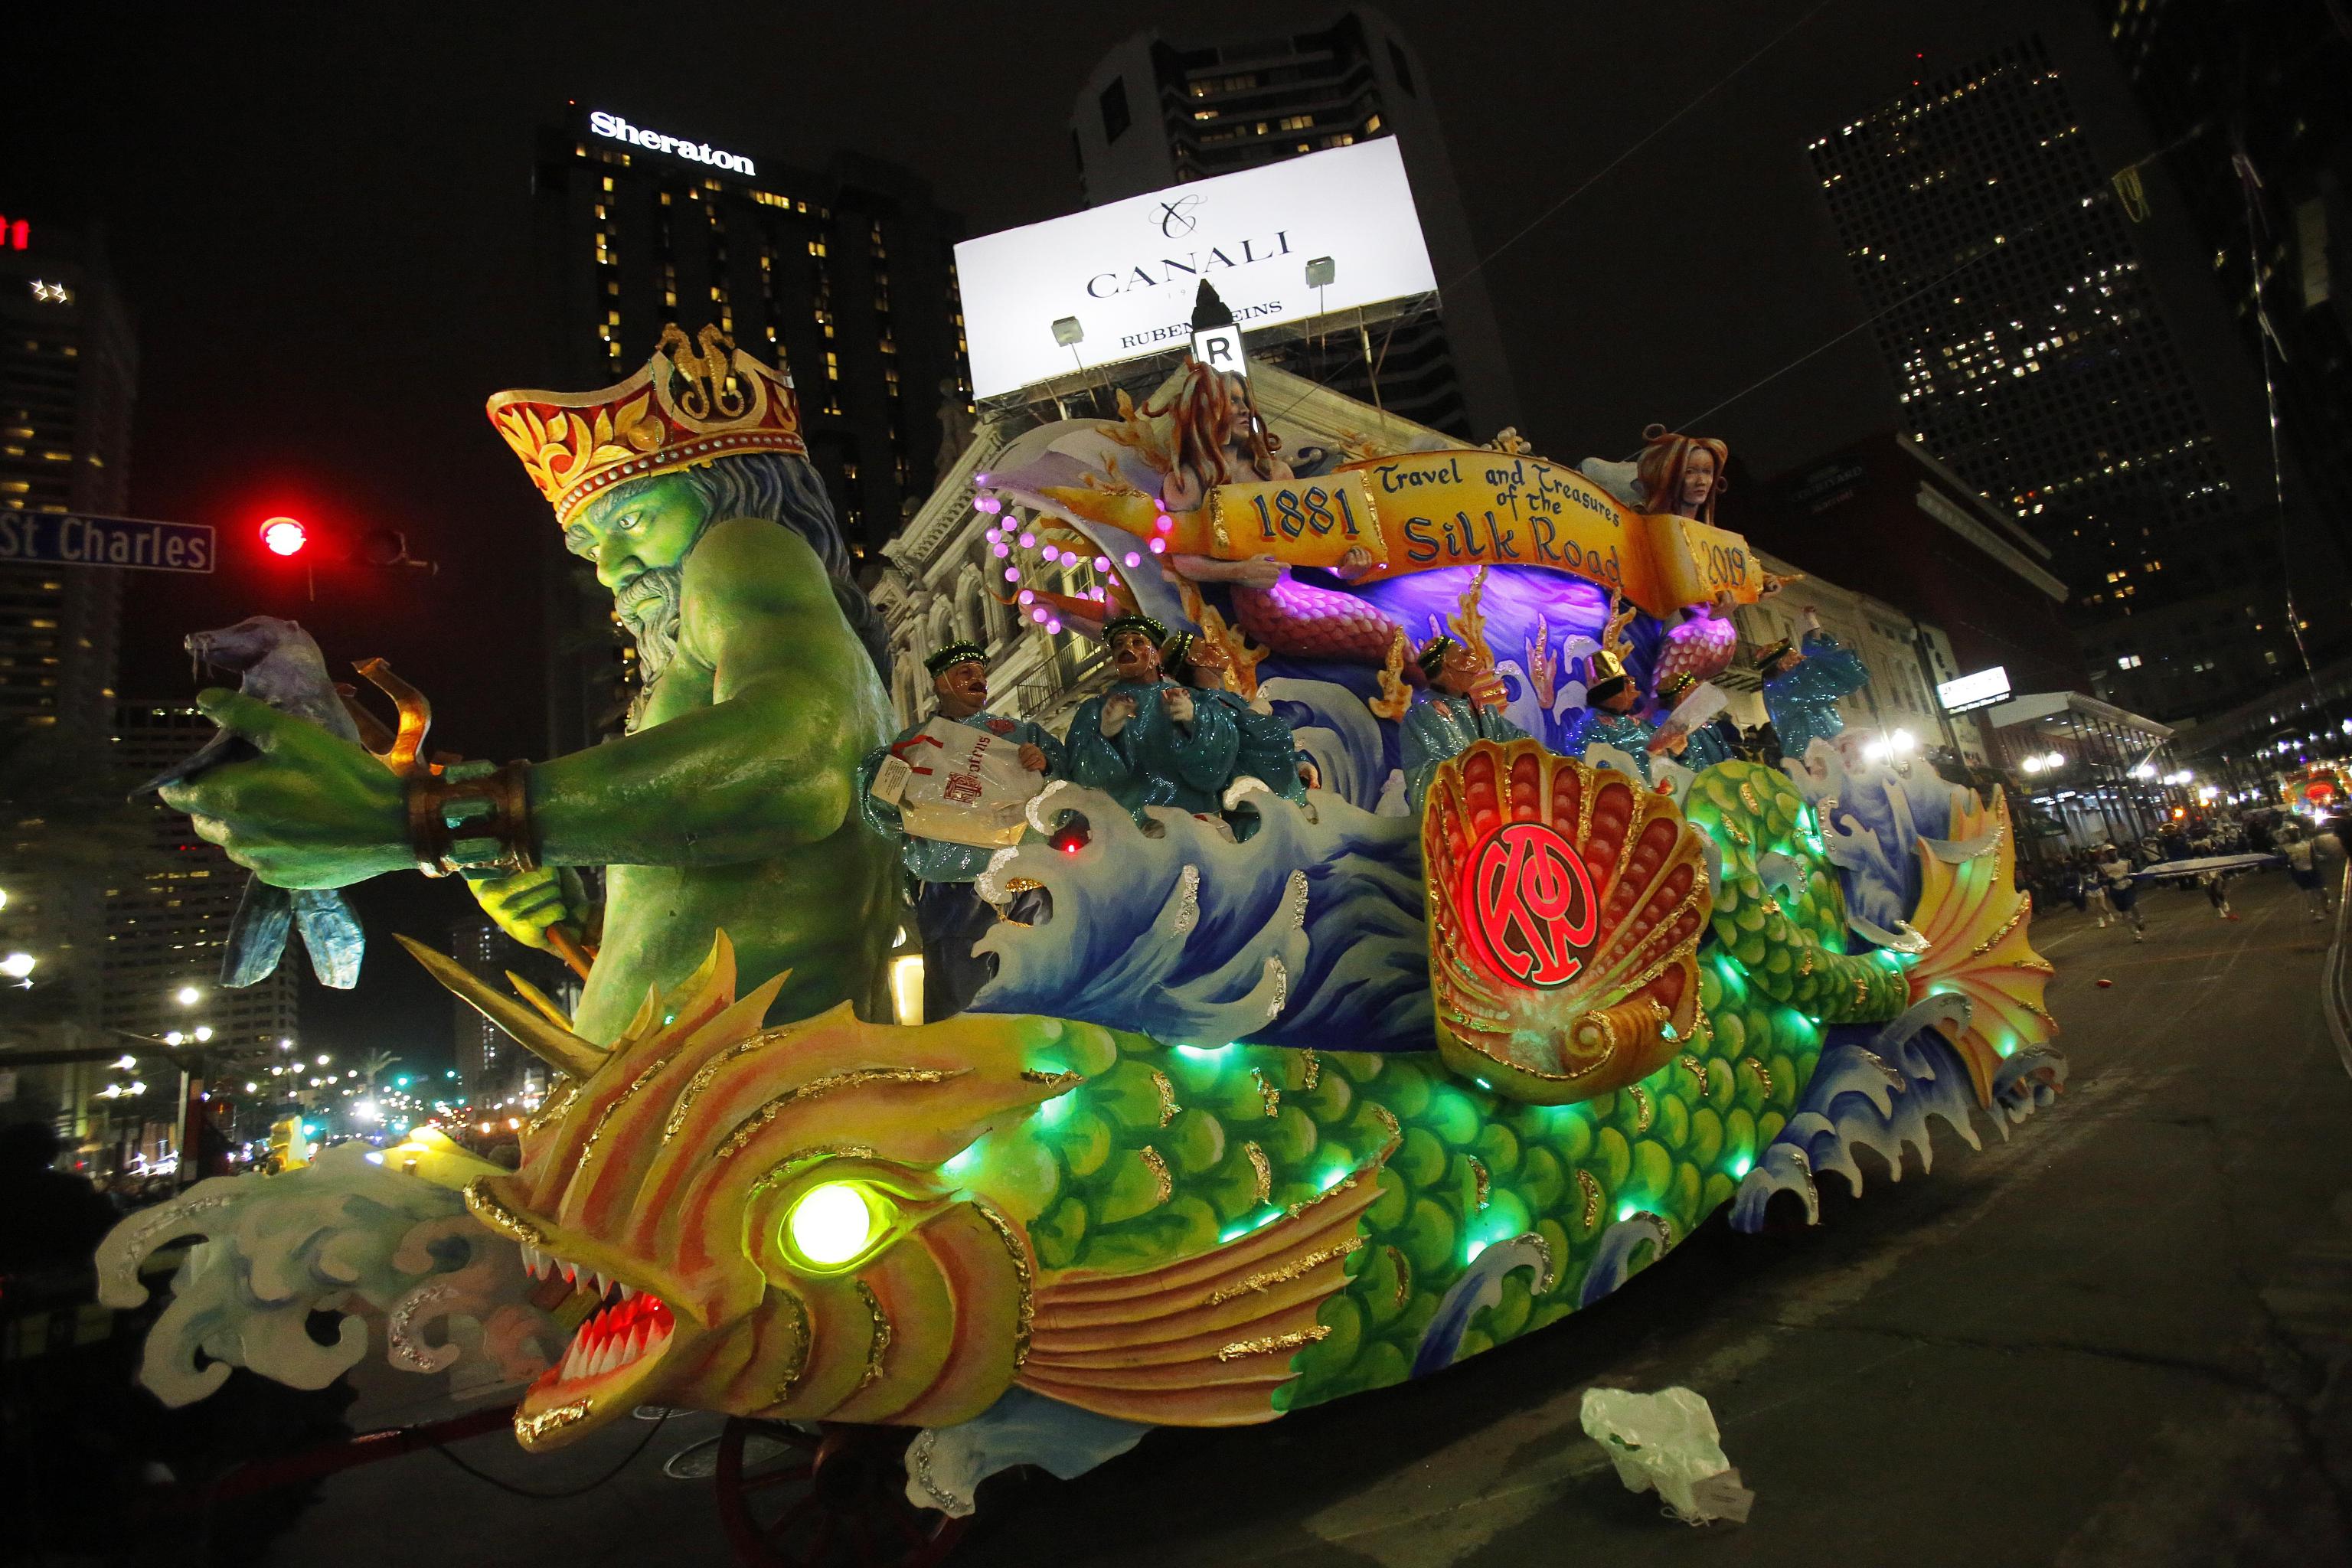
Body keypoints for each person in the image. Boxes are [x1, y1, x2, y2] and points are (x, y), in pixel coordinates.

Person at [157, 327, 900, 1039]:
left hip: (730, 1117)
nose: (610, 567)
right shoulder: (756, 655)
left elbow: (797, 765)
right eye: (590, 544)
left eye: (634, 518)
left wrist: (429, 817)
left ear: (736, 490)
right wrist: (583, 927)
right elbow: (727, 920)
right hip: (701, 1106)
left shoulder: (744, 543)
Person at [855, 639, 1064, 1020]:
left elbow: (1063, 794)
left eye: (981, 673)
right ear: (941, 685)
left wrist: (1045, 764)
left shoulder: (1020, 734)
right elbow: (883, 807)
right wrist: (894, 787)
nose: (977, 679)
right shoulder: (913, 744)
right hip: (951, 882)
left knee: (1035, 977)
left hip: (1023, 874)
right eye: (965, 672)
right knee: (958, 984)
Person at [1068, 614, 1245, 820]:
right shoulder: (1094, 709)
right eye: (1119, 644)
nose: (1127, 648)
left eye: (1138, 642)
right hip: (1130, 830)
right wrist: (1107, 734)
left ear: (1156, 656)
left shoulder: (1192, 699)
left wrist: (1195, 720)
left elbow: (1218, 763)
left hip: (1193, 823)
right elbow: (1083, 778)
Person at [1161, 629, 1306, 808]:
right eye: (1205, 645)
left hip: (1274, 796)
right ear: (1193, 659)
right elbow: (1217, 743)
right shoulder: (1193, 701)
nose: (1214, 644)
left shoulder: (1234, 699)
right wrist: (1251, 718)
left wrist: (1299, 763)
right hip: (1242, 802)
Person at [1400, 634, 1527, 812]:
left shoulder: (1484, 713)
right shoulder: (1423, 714)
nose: (1471, 662)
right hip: (1454, 819)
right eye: (1461, 655)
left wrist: (1557, 760)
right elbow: (1428, 778)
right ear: (1446, 668)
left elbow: (1520, 741)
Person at [1756, 608, 1870, 761]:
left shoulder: (1788, 686)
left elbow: (1812, 667)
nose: (1798, 659)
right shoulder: (1782, 690)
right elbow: (1813, 671)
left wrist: (1812, 628)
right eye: (1791, 657)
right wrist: (1813, 633)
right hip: (1810, 759)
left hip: (1826, 751)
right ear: (1780, 664)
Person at [2095, 844, 2145, 941]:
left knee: (2134, 906)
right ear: (2105, 855)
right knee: (2125, 913)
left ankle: (2139, 920)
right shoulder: (2102, 867)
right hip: (2115, 890)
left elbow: (2134, 874)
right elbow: (2100, 880)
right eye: (2108, 853)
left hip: (2127, 887)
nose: (2111, 854)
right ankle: (2136, 933)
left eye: (2113, 851)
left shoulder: (2126, 862)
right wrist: (2108, 880)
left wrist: (2132, 880)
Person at [2283, 828, 2332, 920]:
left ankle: (2325, 906)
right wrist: (2290, 860)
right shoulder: (2286, 848)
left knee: (2322, 890)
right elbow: (2285, 861)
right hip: (2299, 872)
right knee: (2309, 892)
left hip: (2312, 869)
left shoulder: (2308, 843)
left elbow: (2314, 855)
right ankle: (2317, 912)